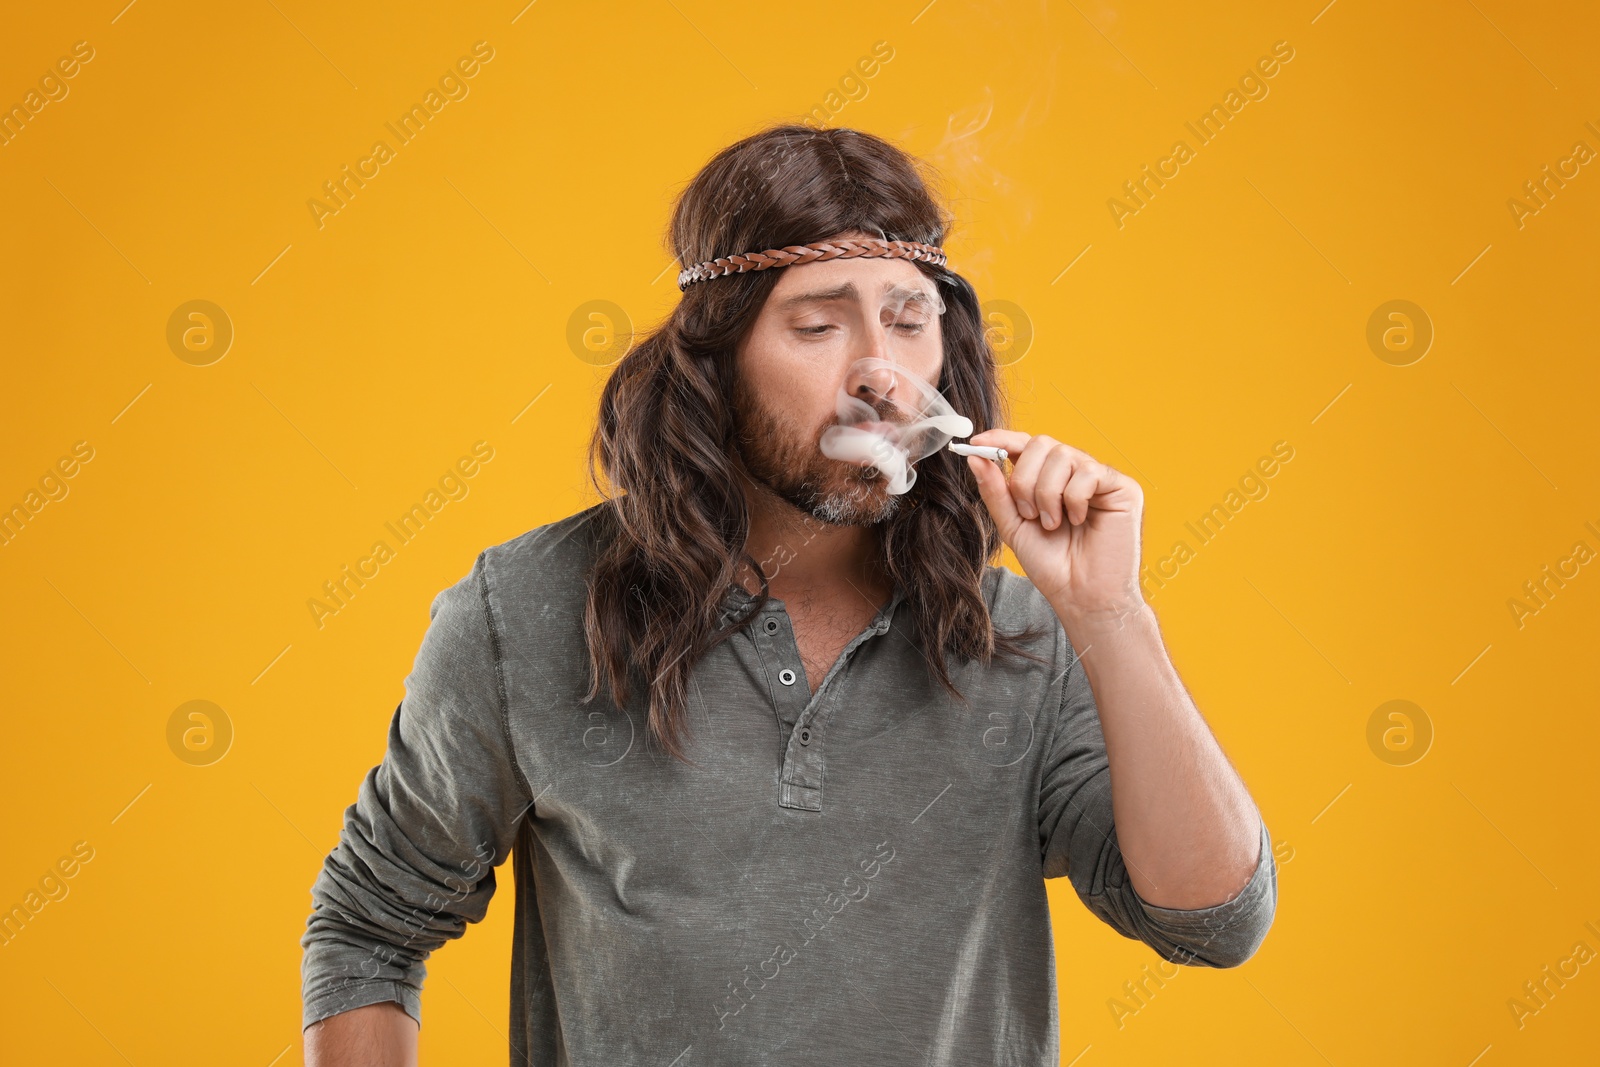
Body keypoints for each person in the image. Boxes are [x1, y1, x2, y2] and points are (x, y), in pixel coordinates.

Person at [300, 123, 1276, 1066]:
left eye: (907, 320)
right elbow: (367, 927)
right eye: (815, 325)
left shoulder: (1020, 634)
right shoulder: (524, 611)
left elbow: (1215, 921)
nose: (879, 377)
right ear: (715, 359)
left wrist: (1111, 616)